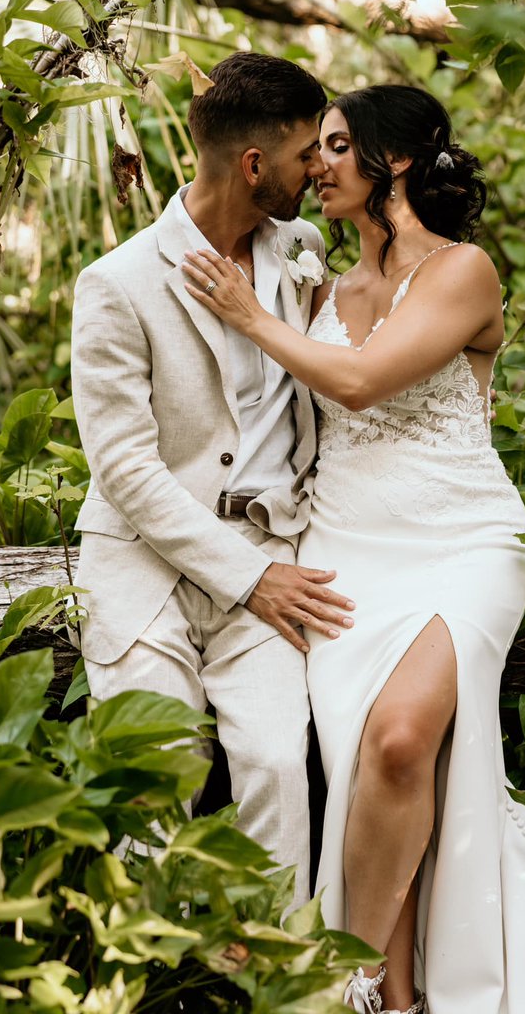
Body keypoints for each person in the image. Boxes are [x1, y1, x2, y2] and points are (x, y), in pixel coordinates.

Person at [183, 84, 525, 1014]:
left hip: (462, 541)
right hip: (346, 552)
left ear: (393, 160)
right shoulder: (320, 287)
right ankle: (402, 1002)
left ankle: (351, 982)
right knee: (383, 765)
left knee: (405, 737)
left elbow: (363, 384)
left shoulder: (464, 272)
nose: (314, 163)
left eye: (333, 145)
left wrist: (253, 318)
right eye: (312, 148)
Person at [70, 52, 356, 910]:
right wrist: (247, 578)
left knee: (275, 761)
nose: (322, 169)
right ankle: (149, 976)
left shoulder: (301, 249)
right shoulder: (116, 282)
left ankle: (277, 979)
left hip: (272, 551)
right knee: (158, 773)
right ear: (255, 165)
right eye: (310, 152)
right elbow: (122, 468)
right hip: (148, 565)